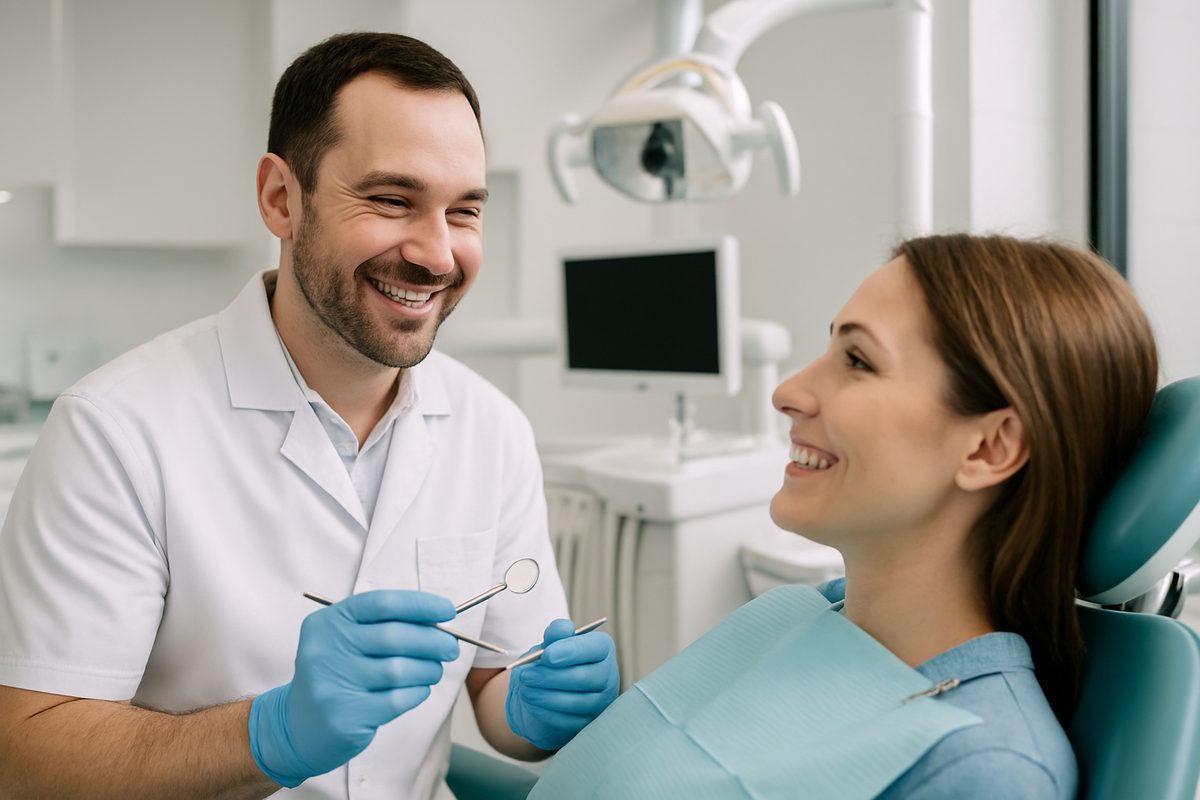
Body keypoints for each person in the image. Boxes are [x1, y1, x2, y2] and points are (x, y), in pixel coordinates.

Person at [0, 32, 618, 799]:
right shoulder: (114, 431)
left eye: (464, 211)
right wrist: (272, 732)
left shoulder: (492, 430)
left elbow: (497, 685)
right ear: (281, 199)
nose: (437, 254)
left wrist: (536, 713)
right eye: (392, 200)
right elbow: (30, 758)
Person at [530, 234, 1158, 799]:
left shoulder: (984, 769)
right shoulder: (806, 614)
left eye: (857, 361)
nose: (787, 392)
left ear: (988, 447)